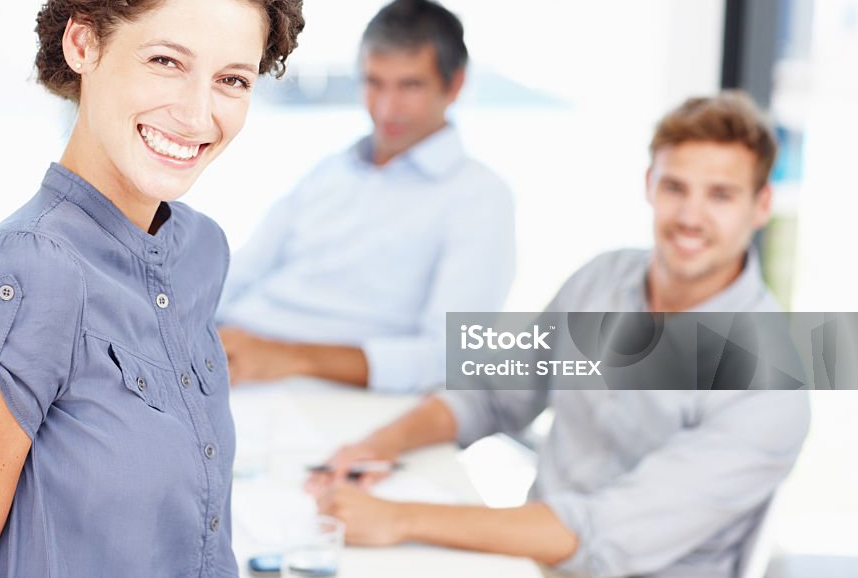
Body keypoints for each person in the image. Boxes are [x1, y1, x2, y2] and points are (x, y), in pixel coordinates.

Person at [0, 0, 304, 577]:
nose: (199, 113)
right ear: (83, 45)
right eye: (166, 61)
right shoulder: (24, 272)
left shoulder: (200, 251)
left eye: (232, 79)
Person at [308, 92, 811, 577]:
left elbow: (601, 537)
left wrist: (400, 519)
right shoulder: (603, 279)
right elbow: (491, 393)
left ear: (761, 204)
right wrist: (378, 445)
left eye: (720, 195)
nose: (689, 217)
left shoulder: (769, 386)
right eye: (675, 187)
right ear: (649, 184)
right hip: (527, 557)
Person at [217, 0, 516, 392]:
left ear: (455, 83)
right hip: (229, 356)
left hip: (311, 389)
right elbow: (240, 274)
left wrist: (285, 356)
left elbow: (448, 356)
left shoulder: (478, 198)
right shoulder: (332, 170)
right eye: (374, 83)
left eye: (410, 86)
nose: (387, 108)